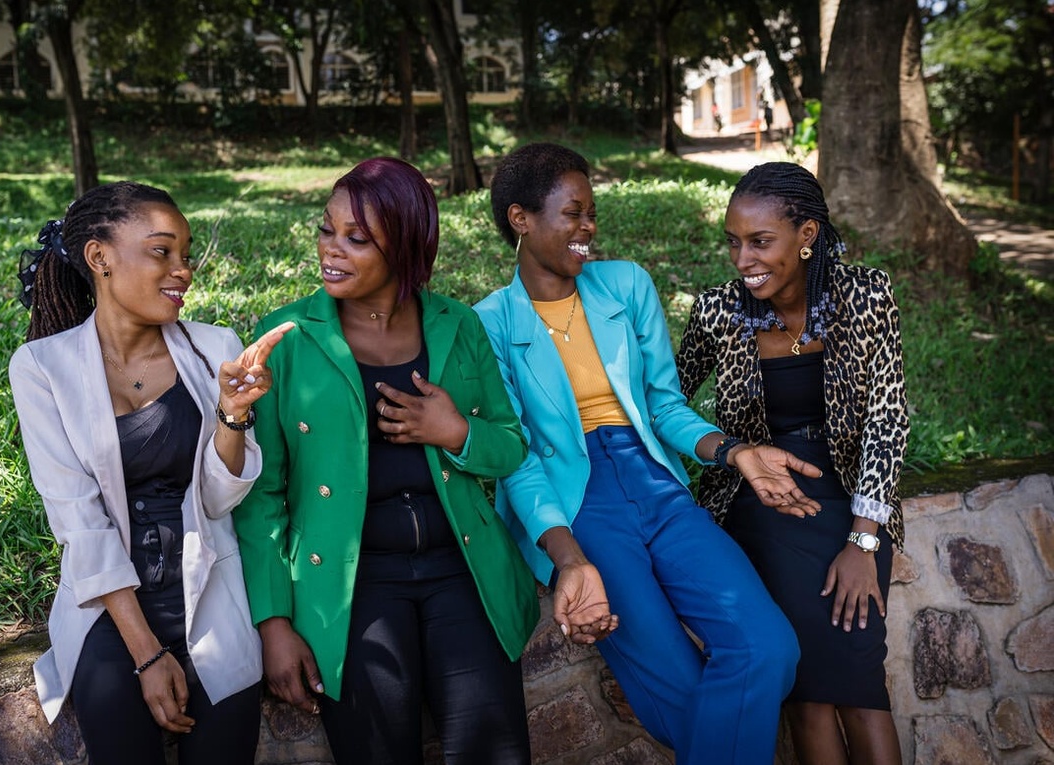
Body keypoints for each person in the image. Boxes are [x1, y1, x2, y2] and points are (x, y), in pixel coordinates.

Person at [232, 157, 614, 765]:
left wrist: (455, 431)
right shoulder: (288, 338)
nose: (332, 249)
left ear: (405, 247)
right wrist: (274, 623)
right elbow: (261, 496)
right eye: (327, 230)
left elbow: (511, 445)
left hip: (461, 563)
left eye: (357, 239)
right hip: (353, 579)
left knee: (494, 751)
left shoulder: (457, 325)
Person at [474, 142, 817, 764]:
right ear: (520, 219)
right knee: (675, 687)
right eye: (573, 213)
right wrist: (569, 557)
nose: (589, 228)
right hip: (575, 503)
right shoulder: (489, 322)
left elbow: (663, 405)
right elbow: (517, 457)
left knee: (769, 647)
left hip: (656, 483)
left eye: (592, 212)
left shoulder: (626, 285)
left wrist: (734, 451)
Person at [9, 181, 294, 765]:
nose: (183, 270)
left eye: (185, 254)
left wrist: (233, 415)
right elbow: (78, 522)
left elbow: (218, 501)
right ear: (100, 257)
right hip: (109, 606)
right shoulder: (42, 367)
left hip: (210, 587)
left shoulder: (216, 348)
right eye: (162, 251)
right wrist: (145, 655)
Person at [676, 161, 907, 765]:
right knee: (805, 695)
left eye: (760, 241)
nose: (742, 259)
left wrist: (864, 542)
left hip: (853, 505)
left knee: (862, 690)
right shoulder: (718, 313)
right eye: (733, 242)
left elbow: (888, 419)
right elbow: (664, 401)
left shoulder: (866, 296)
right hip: (762, 504)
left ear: (806, 235)